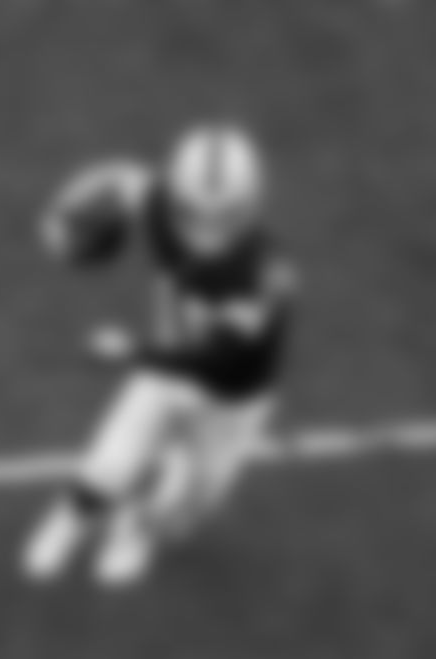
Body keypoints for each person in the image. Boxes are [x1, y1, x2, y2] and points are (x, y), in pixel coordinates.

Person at [21, 122, 297, 589]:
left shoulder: (264, 276)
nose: (208, 228)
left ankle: (135, 526)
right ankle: (69, 518)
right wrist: (62, 218)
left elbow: (219, 359)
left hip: (231, 399)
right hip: (165, 369)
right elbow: (118, 177)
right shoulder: (161, 211)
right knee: (110, 461)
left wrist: (133, 351)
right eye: (196, 212)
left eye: (223, 215)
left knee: (188, 510)